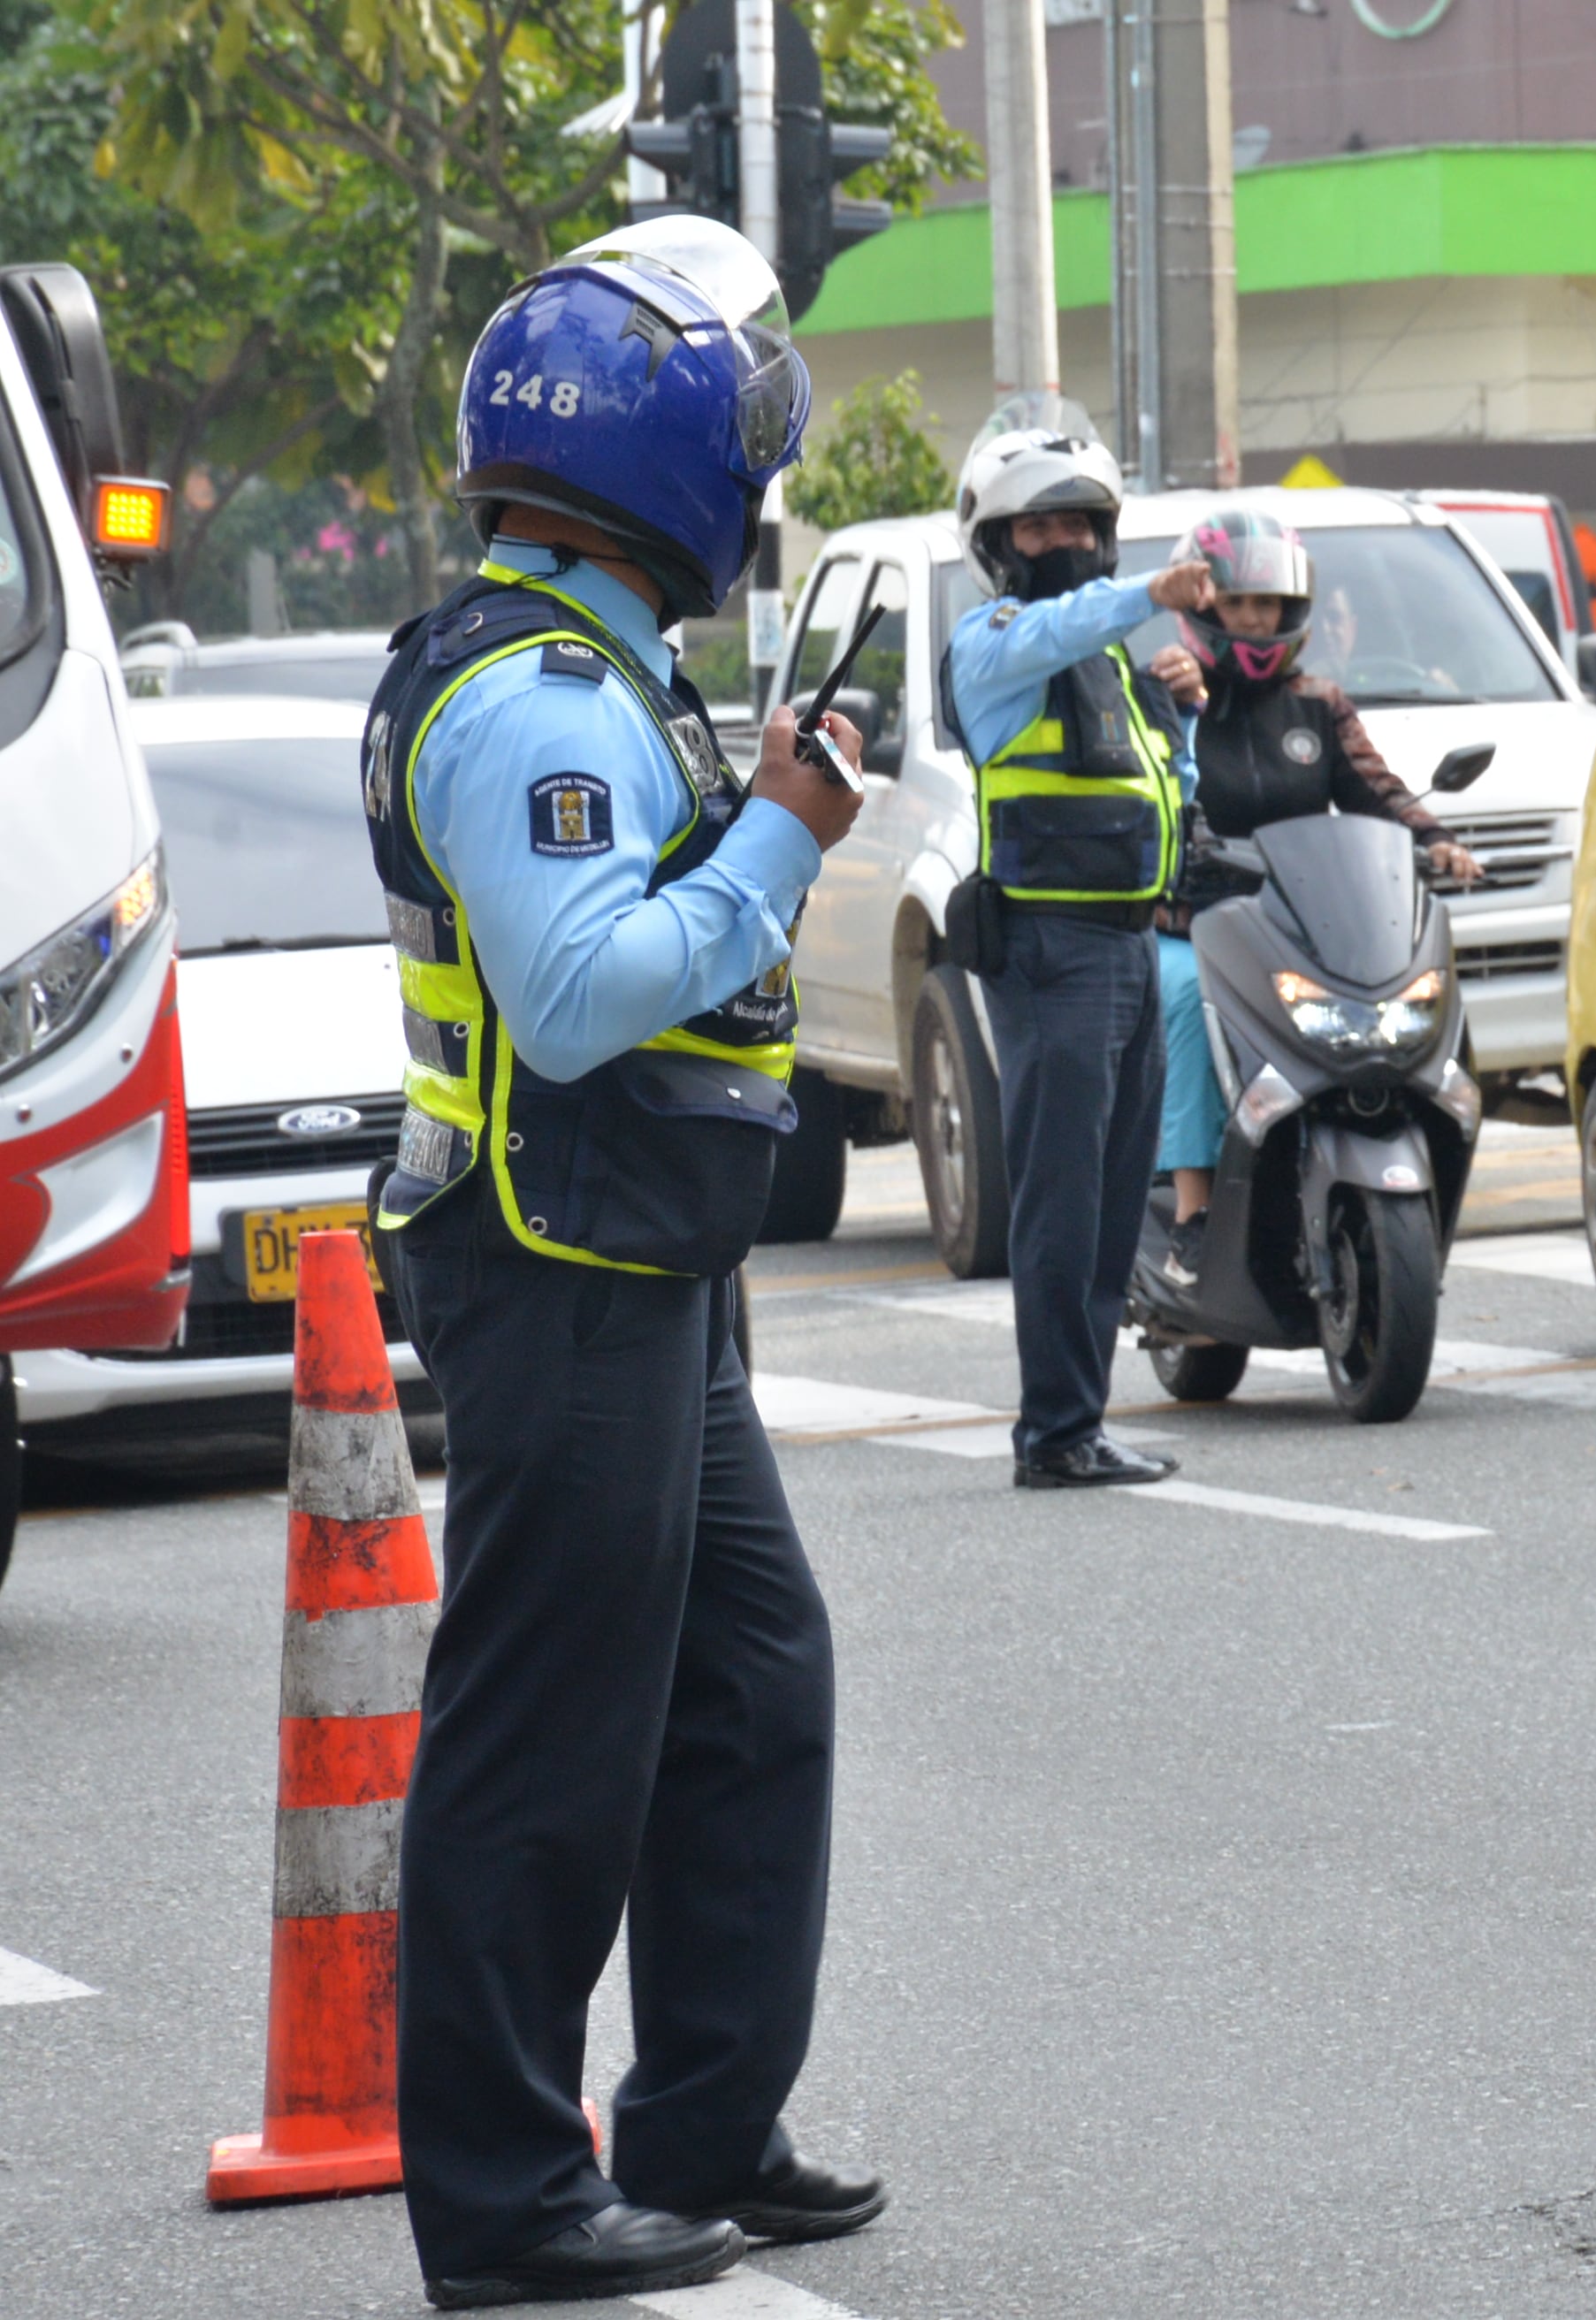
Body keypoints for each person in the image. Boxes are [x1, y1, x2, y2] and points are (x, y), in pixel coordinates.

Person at [370, 216, 881, 2309]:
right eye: (746, 445)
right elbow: (577, 997)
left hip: (657, 1250)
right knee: (547, 1734)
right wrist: (781, 839)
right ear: (676, 457)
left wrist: (753, 800)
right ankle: (503, 2197)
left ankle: (694, 2124)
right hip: (553, 1258)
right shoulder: (532, 696)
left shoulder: (603, 671)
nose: (757, 498)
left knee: (752, 1687)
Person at [943, 425, 1207, 1487]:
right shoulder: (995, 645)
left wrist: (1182, 719)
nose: (1064, 540)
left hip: (1129, 948)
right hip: (1052, 951)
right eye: (1040, 523)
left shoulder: (1108, 667)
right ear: (1001, 544)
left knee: (1106, 1201)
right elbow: (1066, 621)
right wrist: (1155, 592)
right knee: (1060, 1198)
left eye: (1081, 524)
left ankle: (1079, 1419)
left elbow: (1169, 803)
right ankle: (1053, 1432)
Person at [1144, 508, 1479, 1292]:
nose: (1255, 621)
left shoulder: (1319, 705)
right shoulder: (1167, 691)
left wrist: (1436, 841)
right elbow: (1155, 788)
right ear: (1202, 608)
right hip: (1192, 923)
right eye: (1237, 605)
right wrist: (1185, 711)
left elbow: (1375, 790)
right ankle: (1192, 1216)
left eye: (1269, 606)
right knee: (1191, 997)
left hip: (1296, 924)